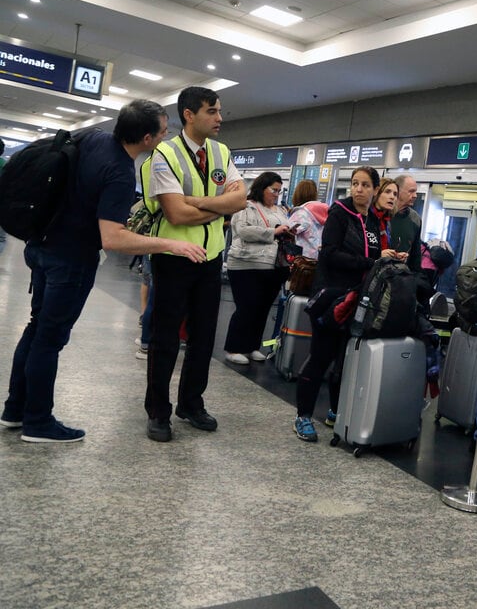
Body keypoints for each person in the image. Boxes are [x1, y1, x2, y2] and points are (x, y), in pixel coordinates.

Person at [0, 100, 206, 442]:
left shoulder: (92, 137)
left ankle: (15, 409)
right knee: (49, 339)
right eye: (162, 130)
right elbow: (113, 238)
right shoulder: (119, 172)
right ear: (146, 138)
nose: (166, 134)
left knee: (38, 330)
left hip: (41, 246)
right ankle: (37, 422)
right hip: (71, 259)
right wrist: (171, 244)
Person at [141, 86, 247, 443]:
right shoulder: (164, 154)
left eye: (219, 111)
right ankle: (158, 411)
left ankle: (191, 403)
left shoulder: (221, 152)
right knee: (165, 338)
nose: (219, 119)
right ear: (189, 114)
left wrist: (197, 202)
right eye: (212, 111)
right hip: (173, 257)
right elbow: (175, 212)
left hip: (210, 258)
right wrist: (217, 205)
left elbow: (240, 200)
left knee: (203, 337)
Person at [293, 166, 394, 441]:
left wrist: (383, 257)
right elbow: (331, 254)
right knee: (320, 356)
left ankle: (335, 412)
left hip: (356, 299)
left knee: (344, 360)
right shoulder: (339, 213)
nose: (358, 189)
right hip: (330, 297)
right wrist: (371, 262)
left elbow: (370, 254)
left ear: (374, 190)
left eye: (364, 185)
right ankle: (302, 415)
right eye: (354, 183)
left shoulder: (373, 221)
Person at [223, 172, 292, 365]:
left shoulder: (279, 210)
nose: (276, 194)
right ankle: (233, 348)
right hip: (245, 264)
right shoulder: (245, 206)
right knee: (246, 307)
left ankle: (251, 346)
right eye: (273, 190)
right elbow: (243, 231)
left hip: (272, 266)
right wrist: (273, 232)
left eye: (279, 190)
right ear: (262, 188)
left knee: (262, 309)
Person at [390, 174, 421, 272]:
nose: (415, 195)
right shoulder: (383, 213)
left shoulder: (415, 219)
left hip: (401, 276)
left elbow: (416, 255)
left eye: (415, 192)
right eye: (411, 191)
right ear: (397, 191)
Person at [371, 177, 400, 254]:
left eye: (395, 194)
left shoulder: (386, 221)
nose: (392, 197)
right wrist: (379, 255)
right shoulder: (365, 216)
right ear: (377, 193)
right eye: (387, 192)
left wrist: (394, 256)